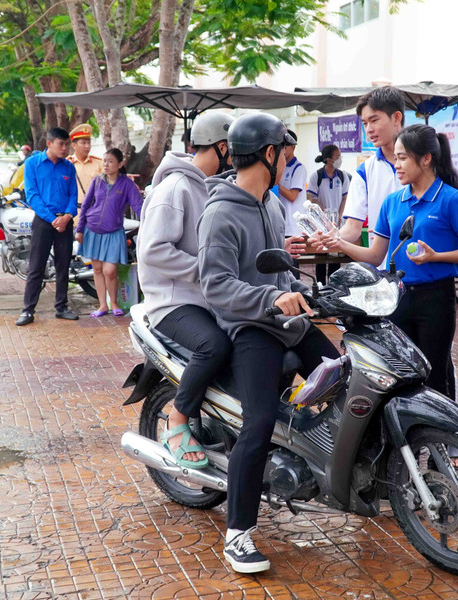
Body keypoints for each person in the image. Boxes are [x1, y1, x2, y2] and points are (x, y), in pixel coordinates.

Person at [197, 112, 340, 574]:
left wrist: (302, 284)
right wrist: (272, 298)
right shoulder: (220, 213)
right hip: (251, 328)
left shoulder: (272, 203)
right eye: (286, 154)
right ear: (269, 154)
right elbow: (215, 285)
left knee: (347, 378)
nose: (290, 163)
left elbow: (276, 268)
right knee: (258, 422)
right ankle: (238, 533)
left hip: (288, 322)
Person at [318, 124, 458, 398]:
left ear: (426, 158)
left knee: (435, 375)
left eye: (403, 158)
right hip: (397, 297)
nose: (397, 165)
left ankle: (441, 425)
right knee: (400, 374)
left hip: (436, 299)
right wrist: (340, 244)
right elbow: (375, 255)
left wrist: (436, 257)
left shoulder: (451, 199)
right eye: (396, 158)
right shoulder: (393, 202)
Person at [138, 111, 235, 469]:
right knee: (214, 345)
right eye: (235, 149)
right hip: (172, 302)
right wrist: (205, 271)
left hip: (206, 300)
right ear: (221, 147)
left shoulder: (213, 186)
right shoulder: (174, 188)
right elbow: (153, 250)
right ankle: (178, 419)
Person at [15, 127, 79, 326]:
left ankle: (62, 307)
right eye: (61, 144)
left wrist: (67, 216)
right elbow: (32, 196)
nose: (65, 148)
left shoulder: (69, 167)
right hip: (44, 222)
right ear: (49, 143)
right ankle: (28, 310)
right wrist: (53, 219)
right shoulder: (32, 164)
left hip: (65, 222)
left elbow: (73, 195)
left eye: (67, 144)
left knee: (63, 266)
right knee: (36, 266)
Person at [76, 148, 144, 318]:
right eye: (104, 161)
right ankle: (102, 305)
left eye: (110, 161)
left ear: (120, 164)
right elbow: (86, 205)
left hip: (114, 233)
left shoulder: (126, 184)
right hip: (92, 230)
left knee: (110, 271)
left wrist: (149, 221)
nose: (106, 164)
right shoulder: (97, 181)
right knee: (97, 270)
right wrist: (80, 229)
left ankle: (114, 303)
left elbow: (138, 206)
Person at [339, 86, 404, 254]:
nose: (368, 129)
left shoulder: (424, 164)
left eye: (374, 120)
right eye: (365, 123)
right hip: (381, 265)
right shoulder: (365, 171)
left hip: (422, 264)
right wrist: (331, 238)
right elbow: (352, 228)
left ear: (396, 118)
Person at [308, 144, 350, 283]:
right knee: (320, 253)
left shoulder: (342, 176)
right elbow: (312, 198)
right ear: (329, 159)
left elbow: (345, 198)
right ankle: (320, 285)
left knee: (335, 254)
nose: (340, 159)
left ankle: (333, 284)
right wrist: (324, 214)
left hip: (337, 222)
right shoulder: (317, 176)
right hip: (320, 222)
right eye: (338, 156)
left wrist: (339, 216)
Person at [276, 129, 306, 238]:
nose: (282, 150)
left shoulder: (298, 168)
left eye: (285, 147)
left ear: (292, 147)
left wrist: (275, 183)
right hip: (282, 225)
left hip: (294, 228)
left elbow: (292, 196)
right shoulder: (280, 167)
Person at [67, 124, 103, 208]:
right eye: (83, 143)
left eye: (89, 143)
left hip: (94, 211)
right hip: (74, 212)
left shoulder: (99, 163)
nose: (87, 146)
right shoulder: (66, 164)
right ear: (74, 145)